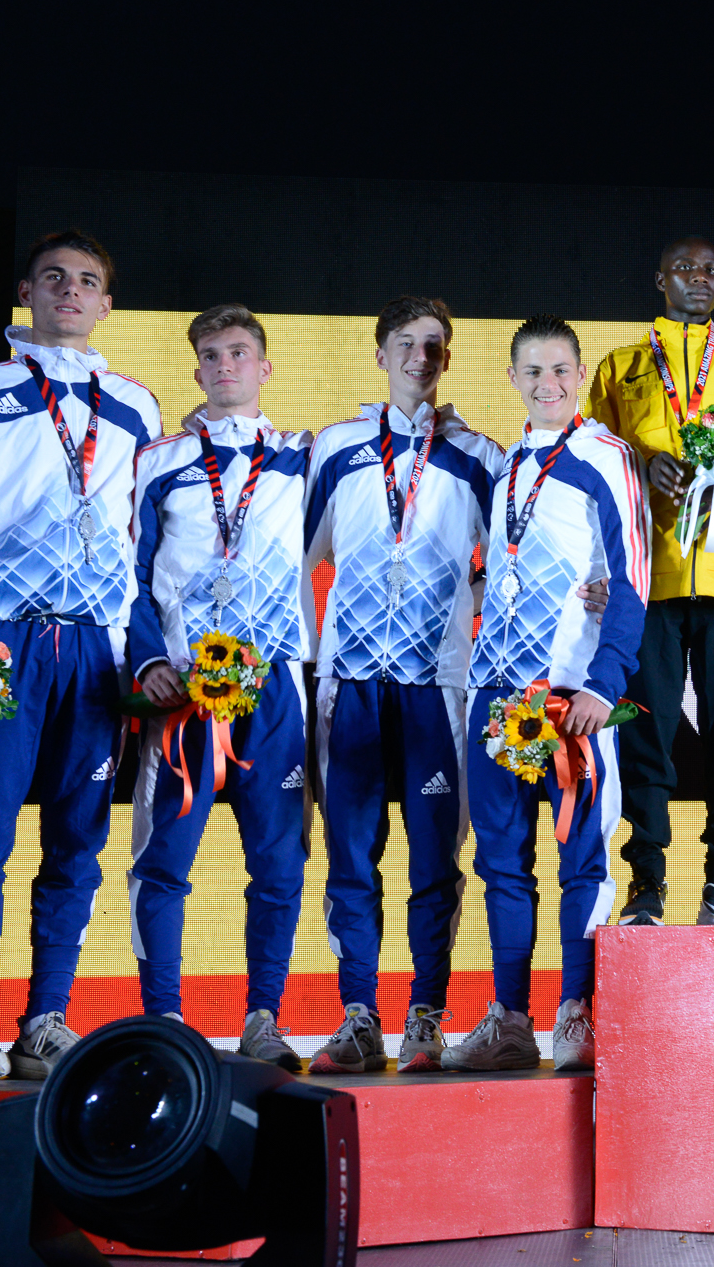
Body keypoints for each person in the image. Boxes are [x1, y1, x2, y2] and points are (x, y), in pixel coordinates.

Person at [0, 230, 163, 1084]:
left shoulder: (137, 406)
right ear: (26, 291)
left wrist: (142, 655)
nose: (70, 289)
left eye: (87, 280)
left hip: (95, 650)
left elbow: (145, 542)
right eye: (53, 276)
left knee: (77, 842)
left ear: (106, 305)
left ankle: (46, 1019)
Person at [303, 295, 506, 1072]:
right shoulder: (336, 448)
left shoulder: (478, 456)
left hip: (438, 685)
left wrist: (467, 604)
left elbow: (511, 564)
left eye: (434, 346)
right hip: (350, 682)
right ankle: (358, 1015)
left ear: (447, 359)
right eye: (407, 344)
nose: (421, 357)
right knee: (351, 856)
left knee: (435, 860)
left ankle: (425, 1014)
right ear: (381, 354)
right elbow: (296, 557)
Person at [444, 314, 647, 1073]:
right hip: (497, 694)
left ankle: (577, 1014)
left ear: (580, 374)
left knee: (581, 858)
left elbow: (631, 578)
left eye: (560, 369)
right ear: (512, 378)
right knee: (501, 863)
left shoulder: (605, 457)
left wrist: (602, 683)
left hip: (570, 696)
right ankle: (510, 1018)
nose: (547, 384)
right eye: (532, 371)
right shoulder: (508, 467)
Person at [128, 306, 316, 1068]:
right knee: (163, 862)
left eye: (239, 352)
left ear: (265, 367)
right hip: (184, 692)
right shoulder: (158, 461)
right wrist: (149, 660)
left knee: (279, 864)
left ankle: (264, 1017)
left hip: (273, 689)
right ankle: (163, 1018)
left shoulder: (306, 458)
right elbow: (127, 573)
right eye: (211, 355)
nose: (225, 365)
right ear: (197, 369)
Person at [587, 237, 714, 926]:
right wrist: (642, 465)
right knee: (644, 732)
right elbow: (595, 471)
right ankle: (646, 878)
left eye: (712, 269)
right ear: (659, 279)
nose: (700, 279)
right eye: (685, 268)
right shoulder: (621, 368)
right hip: (649, 582)